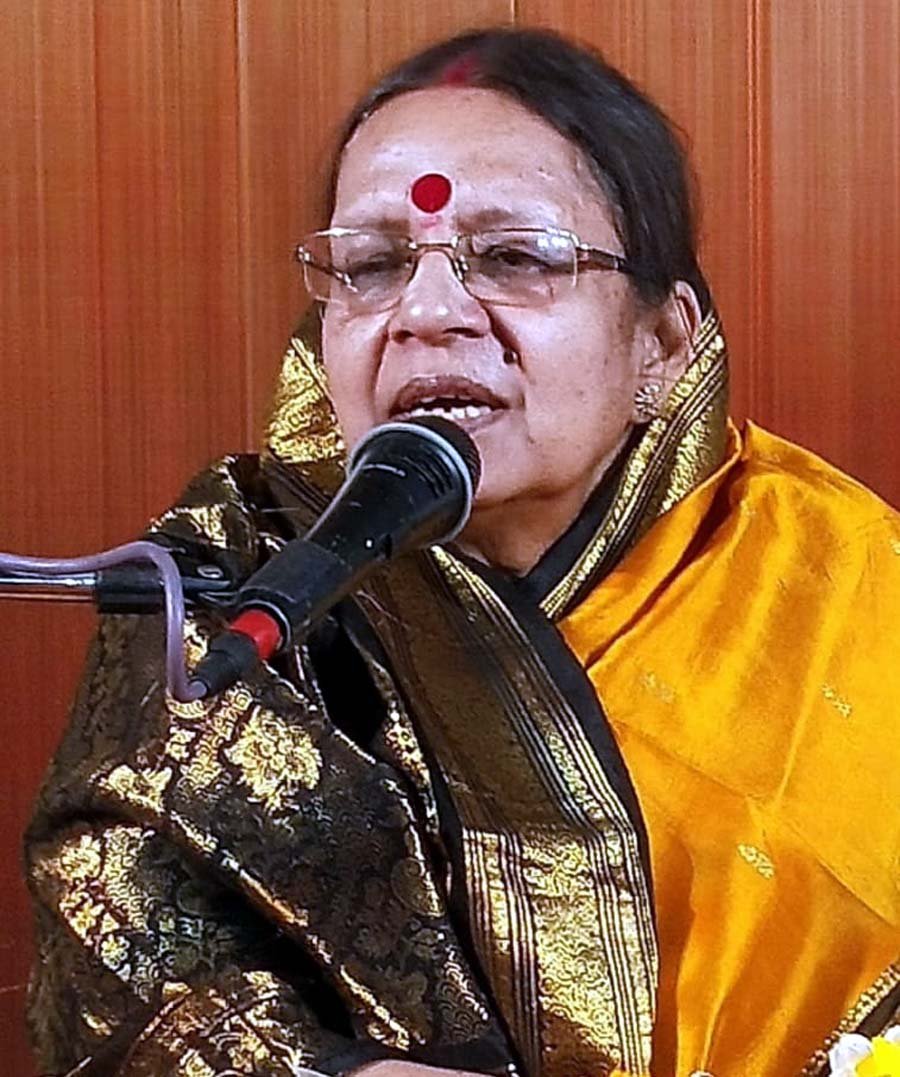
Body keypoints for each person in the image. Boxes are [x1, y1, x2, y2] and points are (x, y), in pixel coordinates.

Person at [24, 27, 899, 1077]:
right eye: (373, 265)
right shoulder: (235, 575)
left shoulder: (839, 572)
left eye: (516, 257)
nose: (428, 312)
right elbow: (112, 948)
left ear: (663, 344)